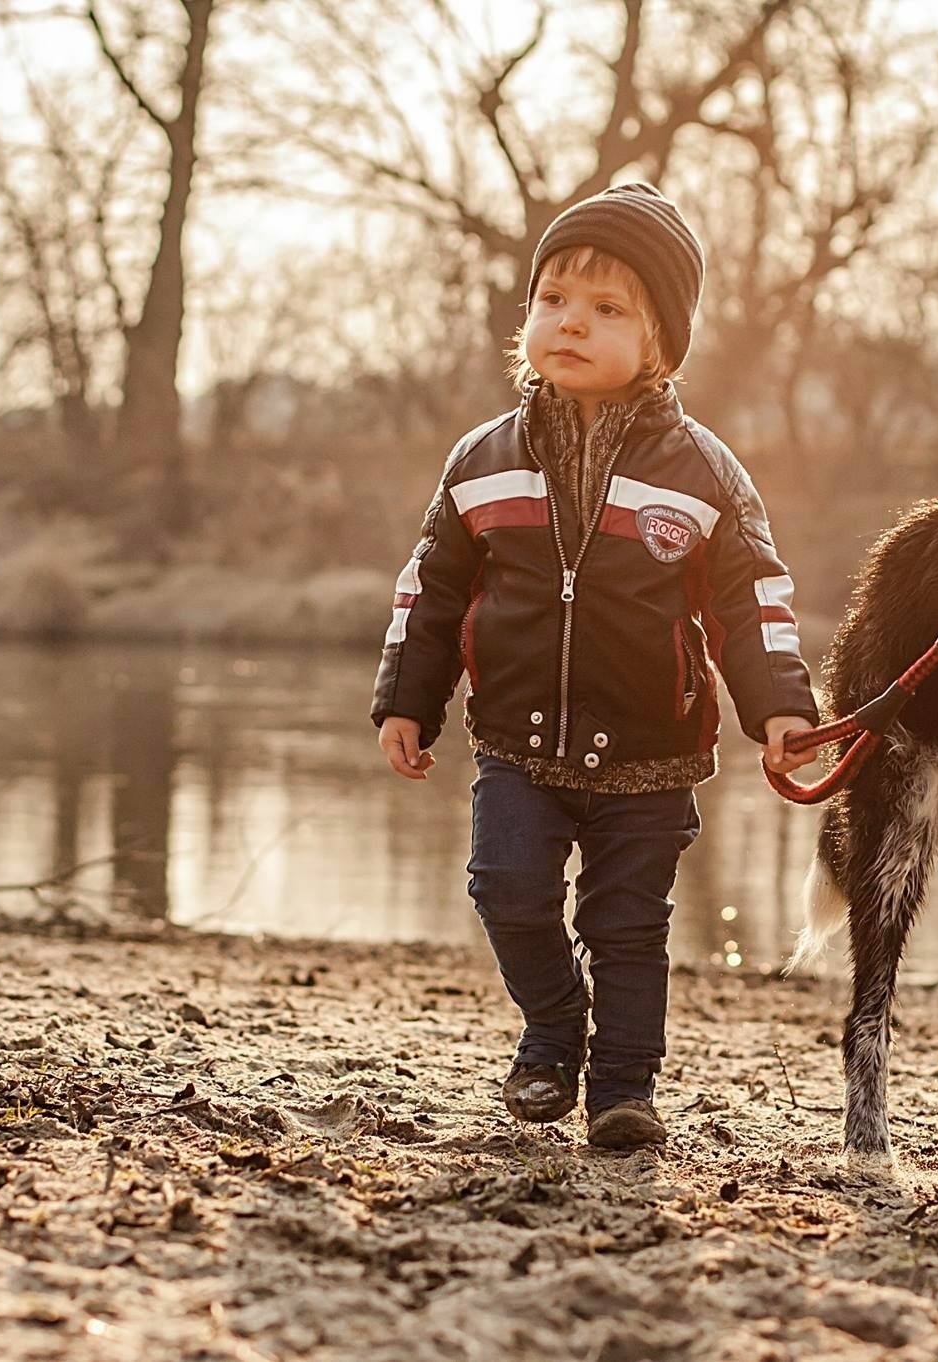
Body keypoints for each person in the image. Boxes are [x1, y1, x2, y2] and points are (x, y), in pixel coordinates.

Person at [372, 182, 821, 1149]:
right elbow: (431, 588)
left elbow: (754, 600)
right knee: (506, 887)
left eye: (607, 309)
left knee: (627, 926)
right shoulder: (482, 459)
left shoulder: (701, 469)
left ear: (660, 344)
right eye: (553, 301)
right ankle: (550, 1030)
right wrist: (407, 699)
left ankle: (624, 1090)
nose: (570, 323)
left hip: (650, 754)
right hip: (517, 741)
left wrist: (781, 707)